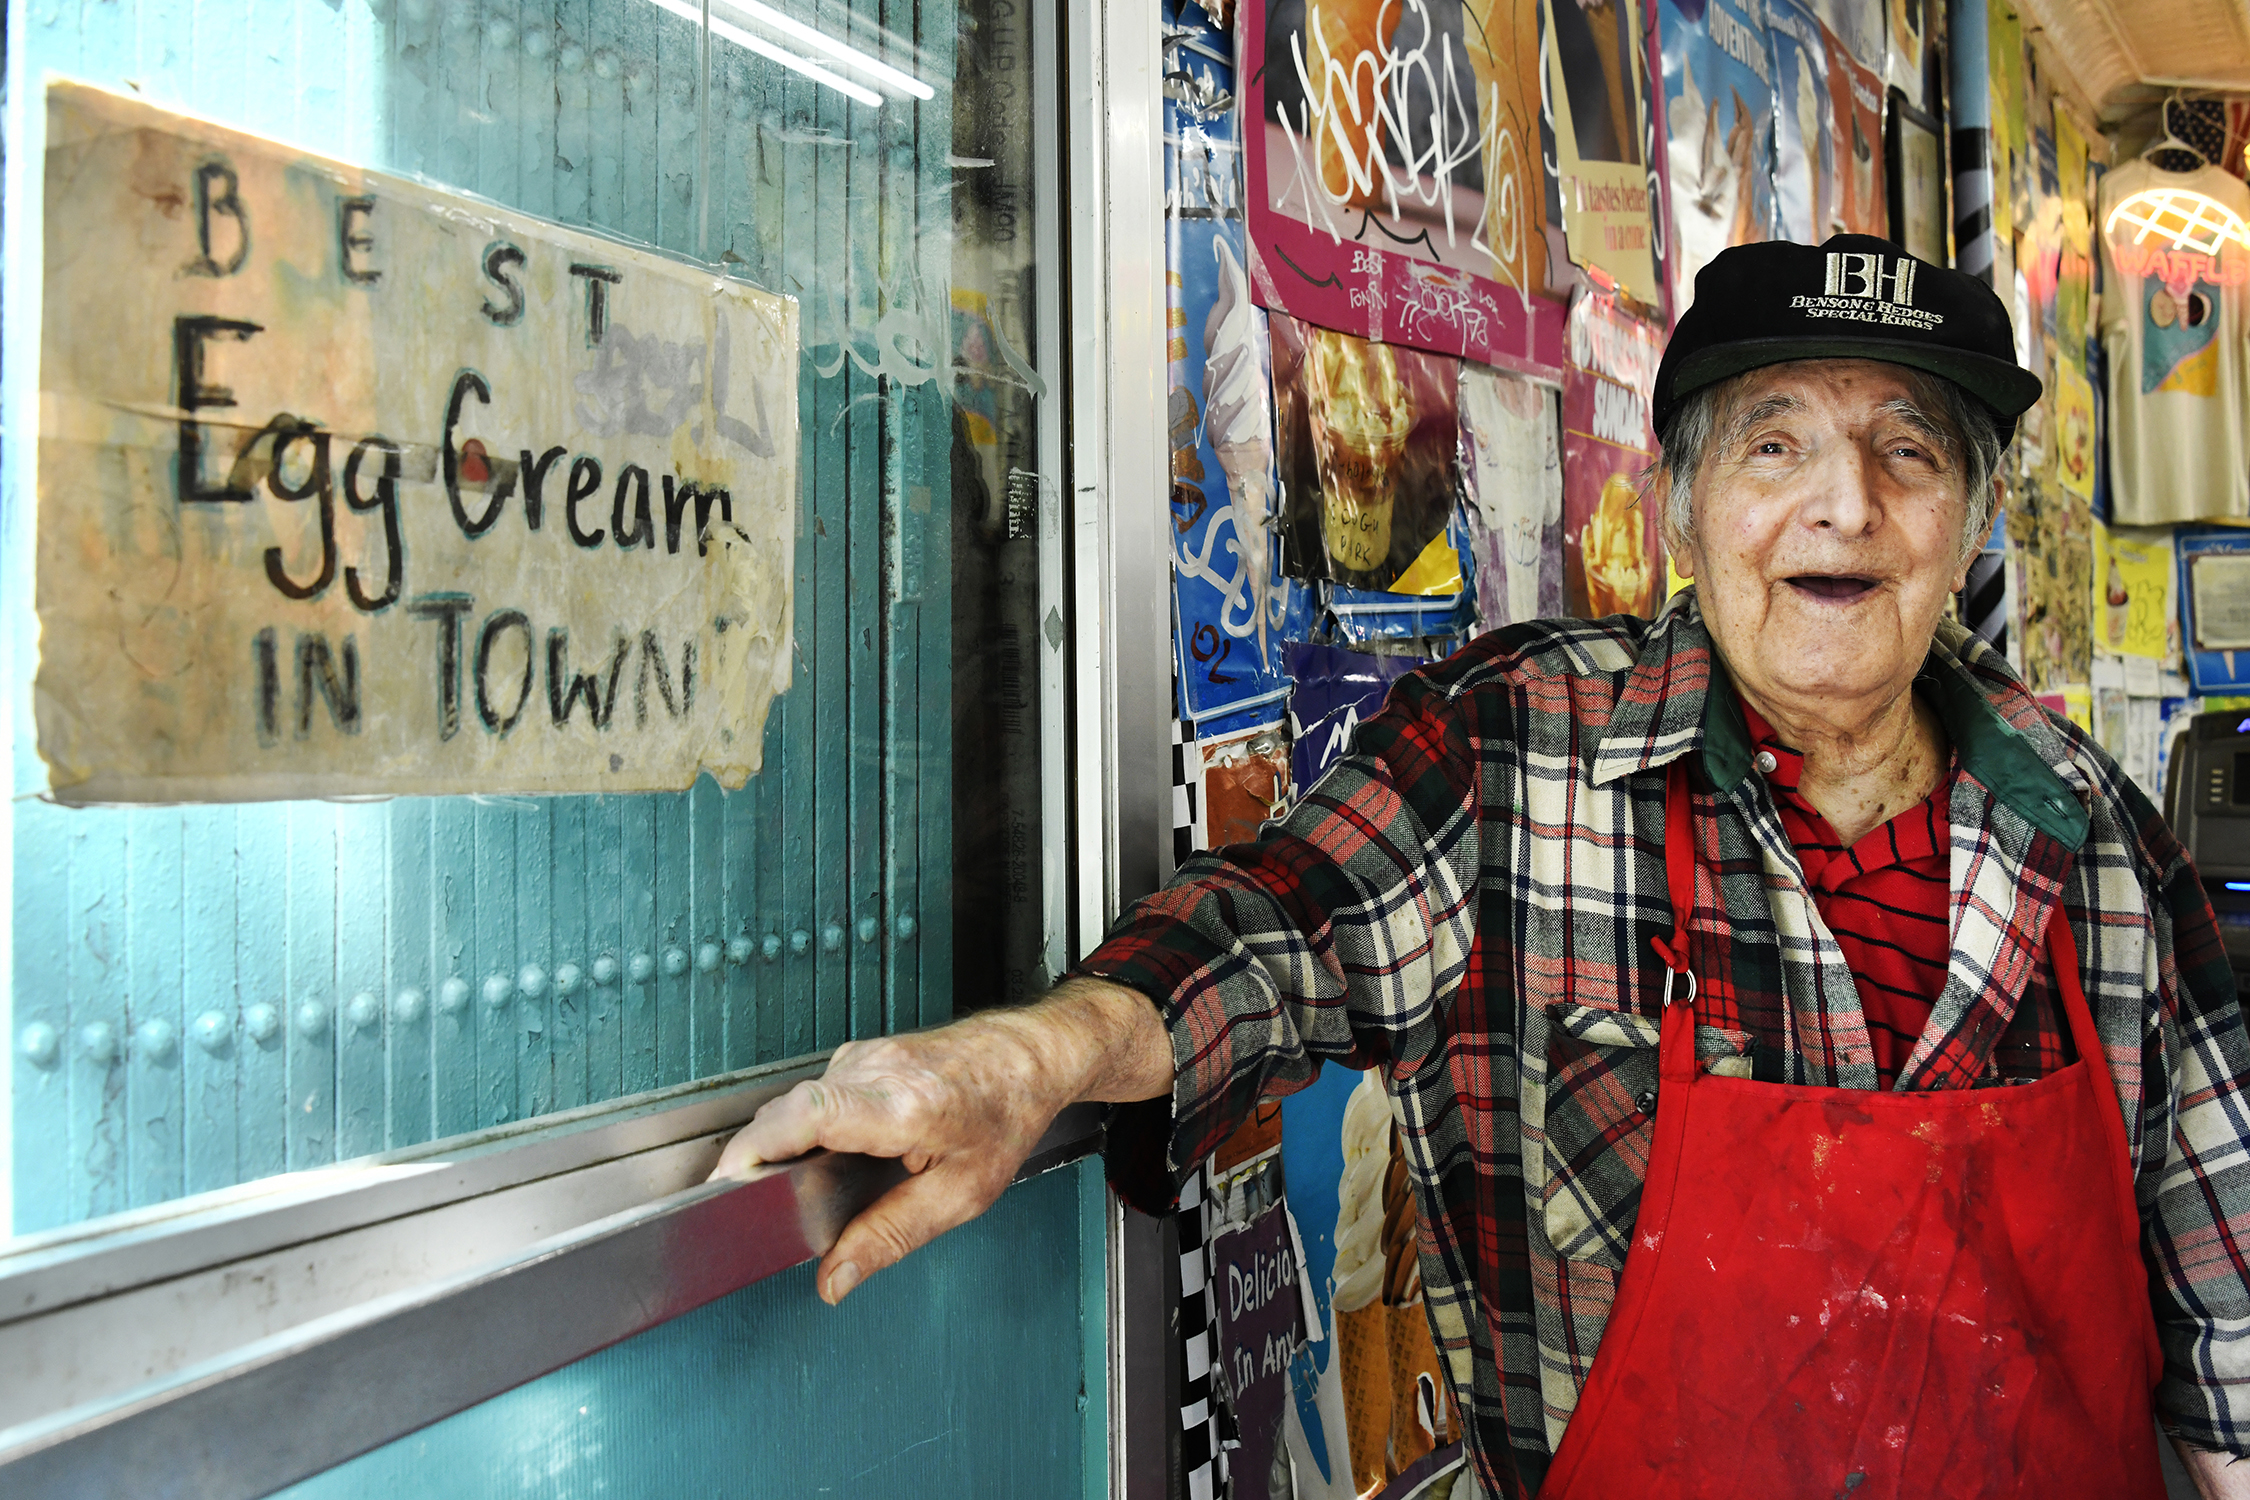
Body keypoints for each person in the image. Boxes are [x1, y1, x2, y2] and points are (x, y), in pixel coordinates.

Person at [715, 236, 2250, 1498]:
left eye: (1905, 452)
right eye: (1773, 444)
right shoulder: (1519, 753)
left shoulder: (2091, 835)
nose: (1842, 502)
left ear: (1969, 521)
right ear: (1683, 507)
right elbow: (1272, 931)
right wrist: (1023, 1061)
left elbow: (2227, 1296)